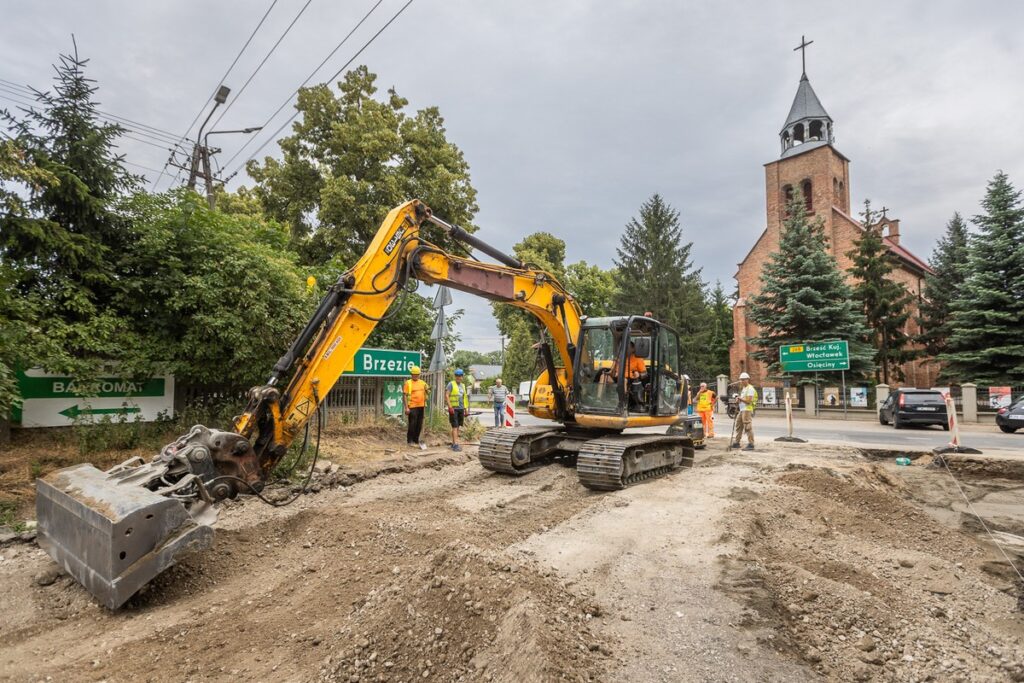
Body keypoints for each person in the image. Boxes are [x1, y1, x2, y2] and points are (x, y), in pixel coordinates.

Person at [403, 365, 430, 450]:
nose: (415, 376)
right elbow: (404, 395)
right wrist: (406, 408)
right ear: (411, 374)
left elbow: (428, 390)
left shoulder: (423, 383)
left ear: (419, 374)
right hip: (412, 406)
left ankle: (416, 440)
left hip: (421, 406)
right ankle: (410, 440)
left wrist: (428, 390)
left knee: (419, 424)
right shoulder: (408, 383)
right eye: (414, 374)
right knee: (412, 424)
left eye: (417, 374)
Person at [732, 372, 758, 450]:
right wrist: (738, 400)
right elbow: (743, 399)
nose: (742, 381)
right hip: (742, 409)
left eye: (743, 380)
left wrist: (740, 398)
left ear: (747, 379)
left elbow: (748, 401)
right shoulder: (744, 388)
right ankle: (737, 442)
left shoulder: (750, 389)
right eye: (741, 380)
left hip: (747, 409)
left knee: (747, 427)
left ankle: (751, 444)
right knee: (738, 425)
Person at [446, 368, 470, 451]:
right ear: (455, 376)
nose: (458, 377)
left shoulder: (463, 385)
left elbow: (464, 398)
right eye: (457, 376)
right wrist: (450, 407)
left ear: (462, 377)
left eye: (460, 376)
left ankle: (454, 443)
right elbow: (447, 395)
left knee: (458, 426)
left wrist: (466, 410)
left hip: (461, 408)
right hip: (454, 409)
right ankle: (455, 444)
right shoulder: (451, 384)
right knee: (454, 426)